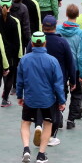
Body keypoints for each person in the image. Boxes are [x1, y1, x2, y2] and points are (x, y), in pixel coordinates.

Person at [17, 31, 66, 163]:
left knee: (25, 123)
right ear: (45, 42)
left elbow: (20, 80)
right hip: (48, 99)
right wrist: (62, 100)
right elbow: (58, 83)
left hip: (30, 98)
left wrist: (19, 96)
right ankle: (41, 154)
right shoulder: (52, 61)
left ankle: (26, 149)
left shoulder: (24, 60)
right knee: (47, 124)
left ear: (32, 43)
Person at [26, 15, 75, 148]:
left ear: (42, 26)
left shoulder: (35, 41)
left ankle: (38, 125)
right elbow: (70, 63)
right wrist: (73, 80)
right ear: (55, 26)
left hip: (38, 80)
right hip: (58, 81)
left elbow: (27, 58)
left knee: (39, 105)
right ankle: (51, 136)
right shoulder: (62, 42)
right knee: (57, 107)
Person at [56, 5, 82, 126]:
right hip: (75, 68)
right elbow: (81, 54)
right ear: (78, 15)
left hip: (61, 67)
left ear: (67, 14)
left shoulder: (58, 29)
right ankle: (71, 120)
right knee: (77, 93)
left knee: (61, 91)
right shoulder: (80, 33)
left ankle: (59, 116)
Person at [0, 0, 23, 108]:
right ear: (11, 6)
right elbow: (17, 40)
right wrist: (18, 56)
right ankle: (5, 99)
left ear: (0, 6)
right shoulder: (14, 21)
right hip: (10, 54)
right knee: (9, 77)